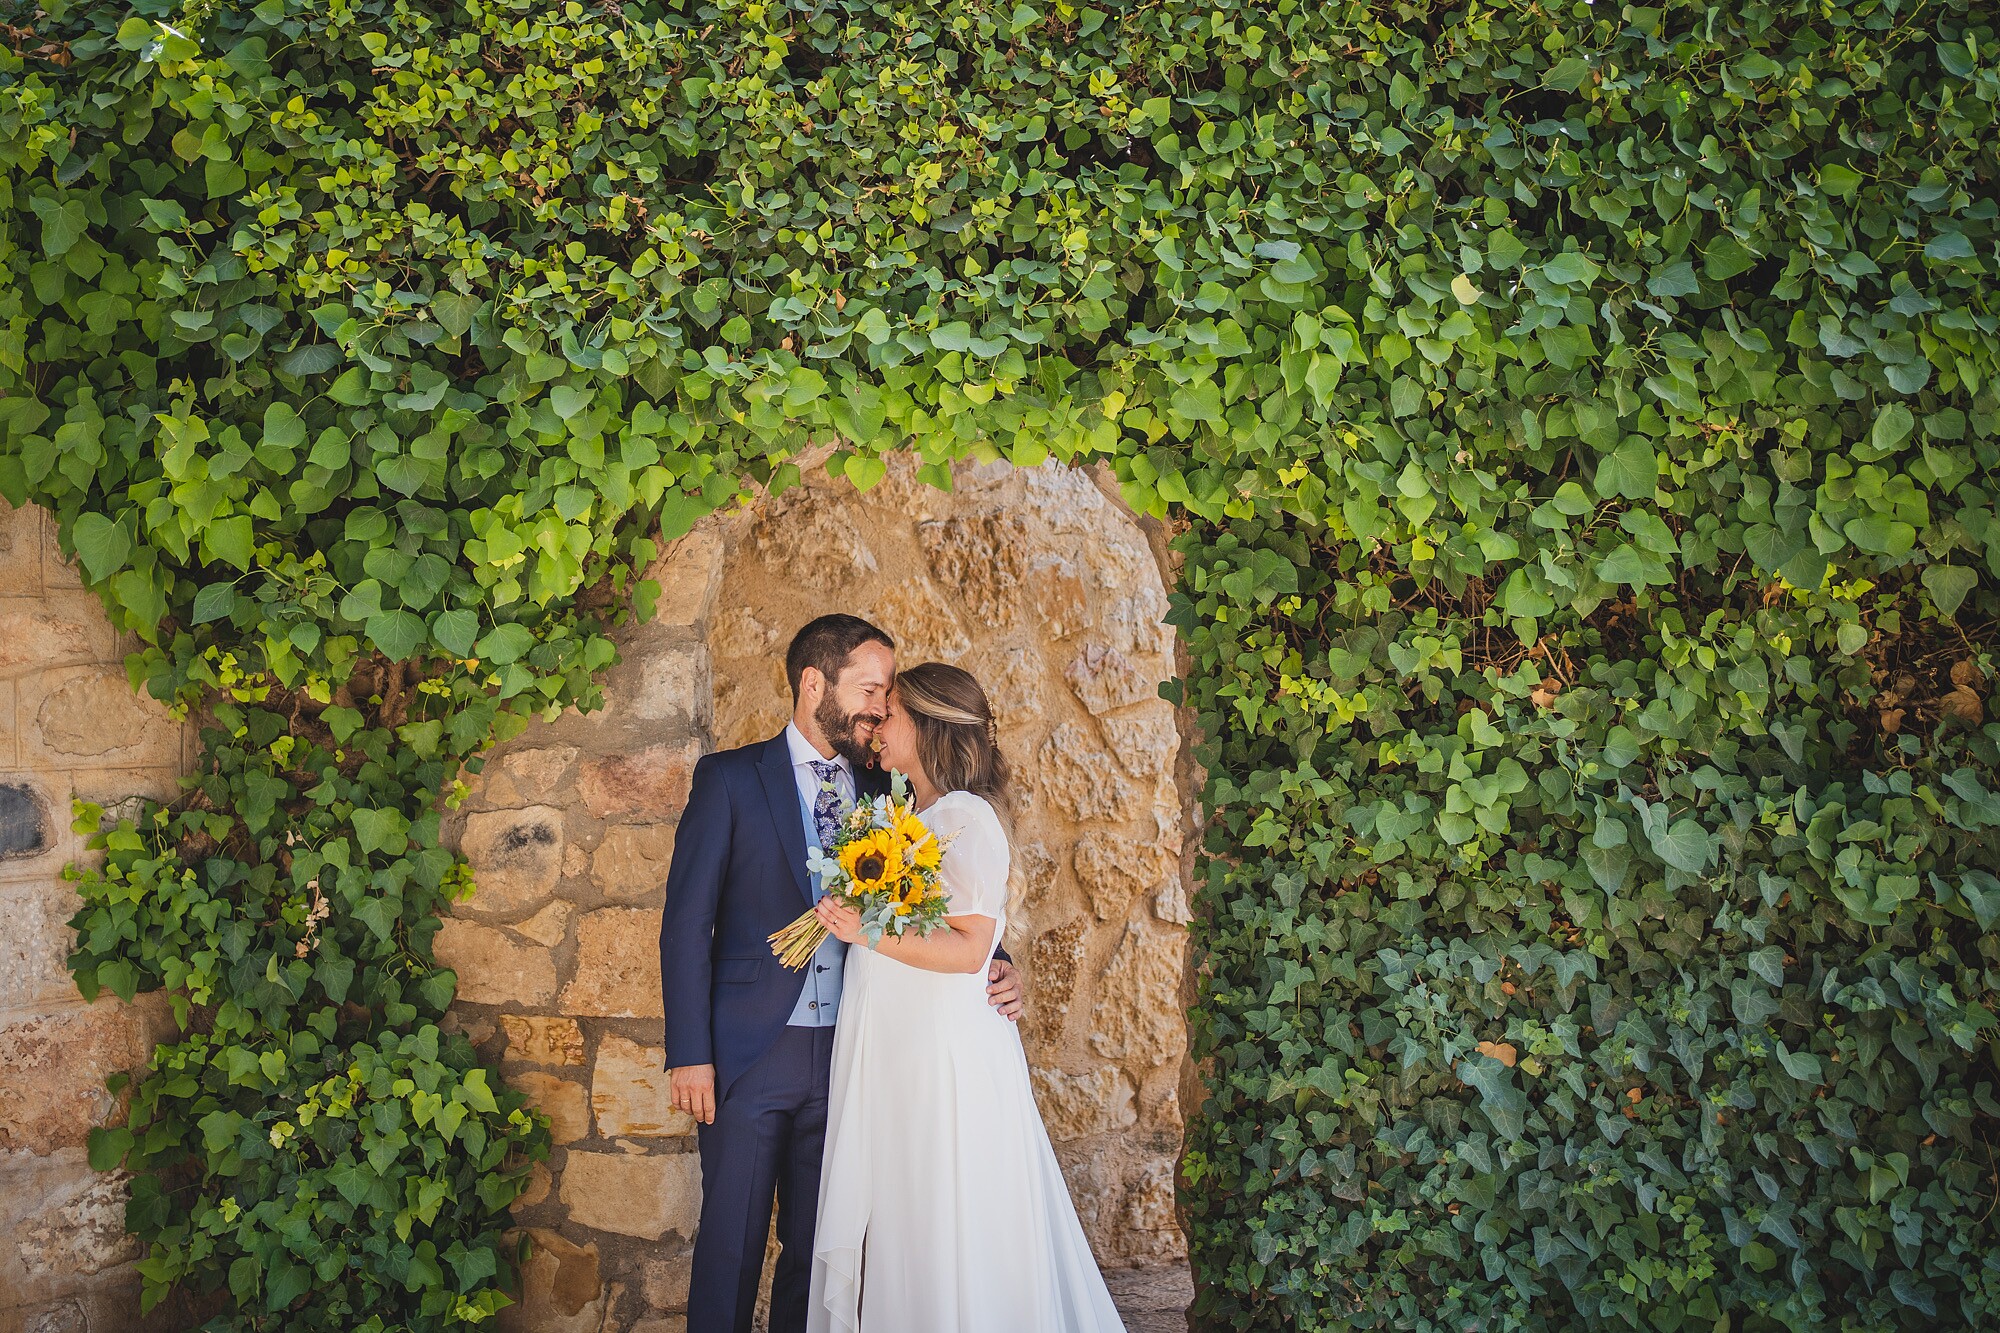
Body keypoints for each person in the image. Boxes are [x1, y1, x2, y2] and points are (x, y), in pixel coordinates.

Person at [659, 616, 1027, 1333]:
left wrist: (997, 965)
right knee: (731, 1242)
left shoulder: (890, 788)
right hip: (750, 1054)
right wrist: (689, 1052)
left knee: (820, 1251)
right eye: (870, 688)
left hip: (857, 1060)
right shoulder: (731, 779)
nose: (879, 707)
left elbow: (948, 897)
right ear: (813, 684)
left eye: (887, 693)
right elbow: (684, 924)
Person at [805, 662, 1127, 1333]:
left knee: (947, 1210)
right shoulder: (908, 814)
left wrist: (864, 930)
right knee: (914, 1215)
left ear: (925, 725)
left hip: (942, 1060)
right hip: (908, 1050)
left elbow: (970, 948)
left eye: (889, 711)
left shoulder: (966, 817)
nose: (877, 725)